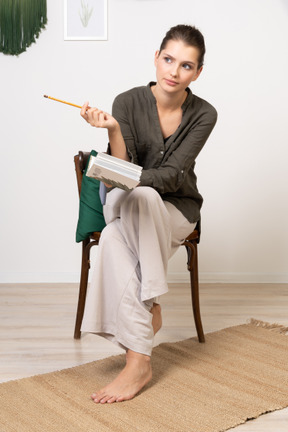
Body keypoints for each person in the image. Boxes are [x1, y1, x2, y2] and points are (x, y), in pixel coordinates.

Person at [80, 24, 217, 404]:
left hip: (176, 209)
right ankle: (150, 306)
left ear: (198, 72)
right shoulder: (126, 101)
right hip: (130, 204)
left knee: (112, 237)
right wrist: (112, 131)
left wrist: (133, 177)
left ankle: (138, 356)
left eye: (186, 66)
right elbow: (122, 174)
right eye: (169, 59)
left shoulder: (205, 114)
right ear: (156, 58)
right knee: (139, 195)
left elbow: (173, 177)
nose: (174, 71)